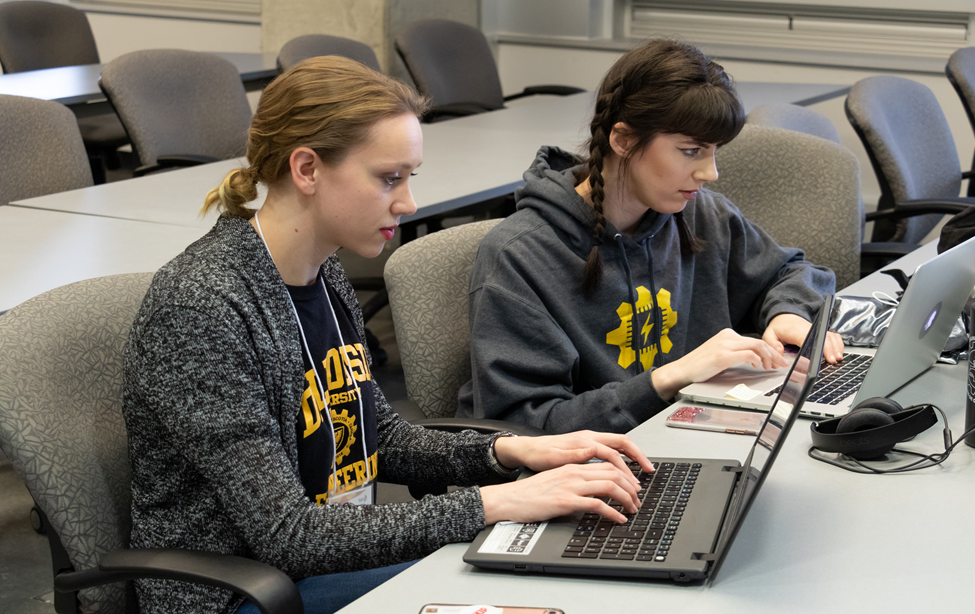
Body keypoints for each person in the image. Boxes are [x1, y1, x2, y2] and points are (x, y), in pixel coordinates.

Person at [122, 56, 653, 614]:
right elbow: (288, 533)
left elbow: (380, 438)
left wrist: (512, 450)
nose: (408, 203)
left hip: (325, 563)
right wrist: (496, 502)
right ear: (307, 169)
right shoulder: (202, 307)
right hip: (249, 594)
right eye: (388, 178)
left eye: (409, 178)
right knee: (525, 584)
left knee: (550, 565)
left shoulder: (322, 270)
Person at [457, 39, 844, 434]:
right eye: (691, 150)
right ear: (623, 140)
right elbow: (521, 428)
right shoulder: (519, 256)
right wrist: (667, 380)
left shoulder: (699, 213)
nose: (710, 173)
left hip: (692, 434)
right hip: (596, 462)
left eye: (713, 151)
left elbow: (790, 271)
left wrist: (787, 312)